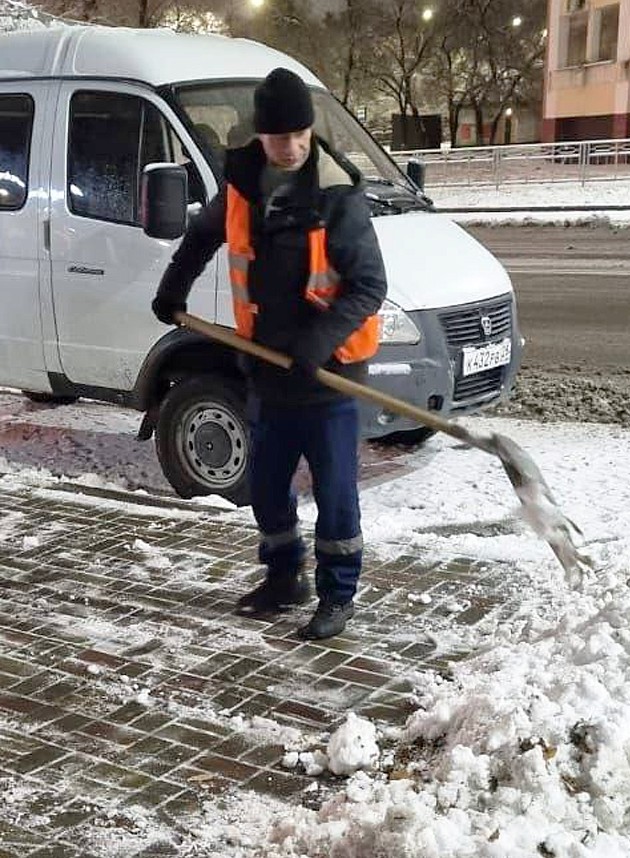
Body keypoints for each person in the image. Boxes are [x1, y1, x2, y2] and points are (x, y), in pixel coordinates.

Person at [152, 69, 388, 640]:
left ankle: (337, 593)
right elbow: (203, 236)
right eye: (282, 138)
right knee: (264, 483)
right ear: (261, 136)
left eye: (301, 135)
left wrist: (319, 341)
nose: (293, 147)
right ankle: (285, 577)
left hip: (329, 373)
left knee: (334, 493)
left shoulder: (337, 193)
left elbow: (368, 285)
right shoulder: (242, 183)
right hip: (266, 364)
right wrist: (173, 288)